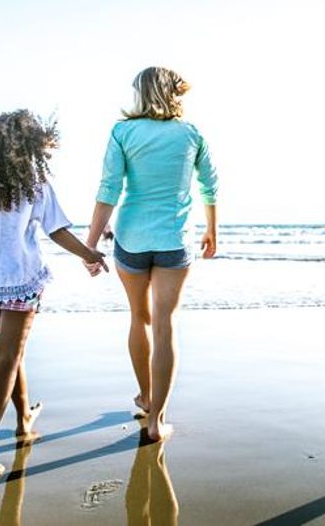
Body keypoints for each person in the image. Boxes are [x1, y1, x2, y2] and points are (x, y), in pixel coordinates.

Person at [0, 109, 108, 477]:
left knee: (10, 354)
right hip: (21, 277)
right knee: (7, 359)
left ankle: (24, 419)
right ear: (34, 144)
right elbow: (56, 230)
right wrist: (88, 253)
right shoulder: (35, 181)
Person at [85, 67, 218, 442]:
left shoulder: (122, 131)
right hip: (174, 239)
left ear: (140, 93)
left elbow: (109, 188)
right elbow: (210, 185)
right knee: (164, 324)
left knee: (139, 318)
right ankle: (158, 419)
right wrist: (213, 230)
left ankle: (145, 397)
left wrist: (90, 244)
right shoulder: (190, 133)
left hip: (131, 239)